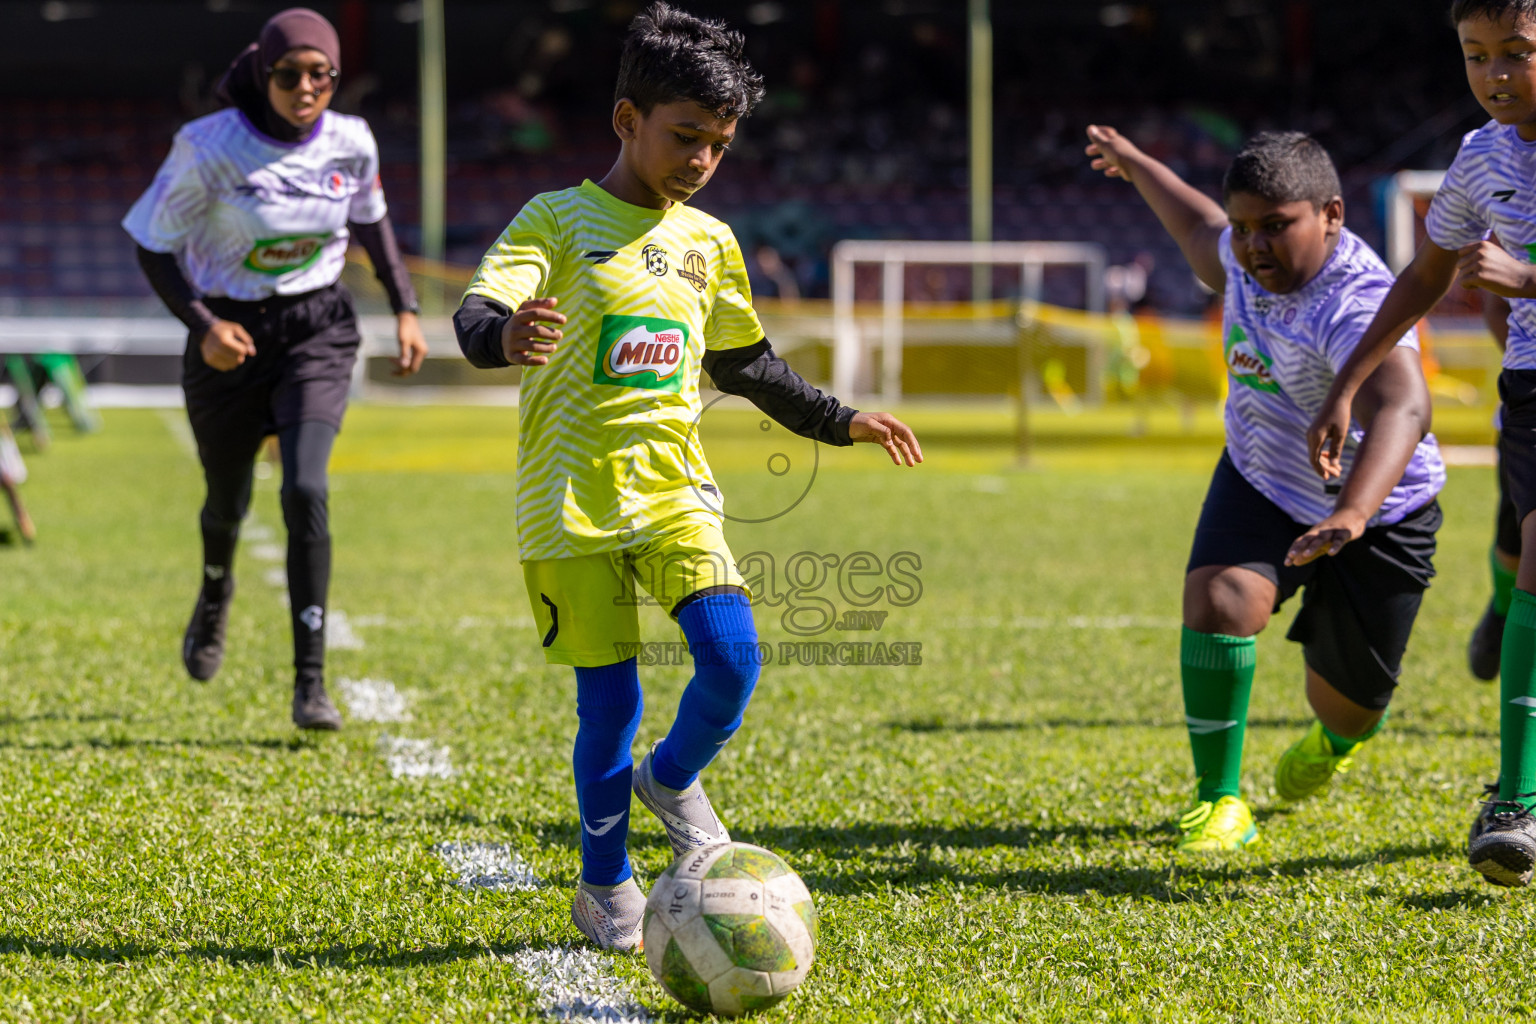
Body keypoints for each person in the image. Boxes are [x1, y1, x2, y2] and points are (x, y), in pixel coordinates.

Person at [453, 2, 921, 950]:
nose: (701, 160)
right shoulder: (555, 219)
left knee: (734, 658)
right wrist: (502, 337)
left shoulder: (709, 243)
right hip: (566, 504)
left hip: (674, 493)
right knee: (609, 704)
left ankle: (668, 780)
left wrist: (842, 420)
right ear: (627, 120)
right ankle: (604, 883)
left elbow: (746, 364)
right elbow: (477, 310)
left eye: (719, 144)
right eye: (685, 137)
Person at [1085, 125, 1446, 853]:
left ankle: (1335, 744)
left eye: (1276, 227)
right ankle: (1219, 800)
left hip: (1382, 506)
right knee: (1220, 599)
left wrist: (1351, 512)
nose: (1253, 246)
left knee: (1347, 709)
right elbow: (1198, 224)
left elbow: (1404, 408)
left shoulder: (1354, 301)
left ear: (1332, 216)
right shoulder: (1242, 259)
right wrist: (1138, 163)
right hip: (1263, 477)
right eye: (1248, 228)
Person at [123, 8, 427, 731]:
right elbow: (152, 245)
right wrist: (205, 327)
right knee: (226, 502)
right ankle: (215, 590)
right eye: (289, 73)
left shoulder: (351, 141)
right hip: (229, 334)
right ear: (264, 74)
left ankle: (311, 682)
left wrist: (406, 307)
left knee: (306, 486)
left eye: (320, 73)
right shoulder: (208, 147)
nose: (305, 86)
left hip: (316, 331)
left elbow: (370, 221)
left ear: (333, 77)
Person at [1307, 0, 1536, 887]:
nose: (1496, 75)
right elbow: (1427, 273)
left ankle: (1503, 582)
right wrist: (1349, 382)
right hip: (1533, 388)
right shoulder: (1481, 157)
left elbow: (1507, 276)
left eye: (1517, 52)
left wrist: (1526, 276)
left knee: (1528, 557)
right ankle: (1515, 799)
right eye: (1477, 56)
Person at [1470, 293, 1520, 680]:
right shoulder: (1523, 233)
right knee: (1515, 550)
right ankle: (1503, 609)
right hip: (1527, 422)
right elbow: (1496, 303)